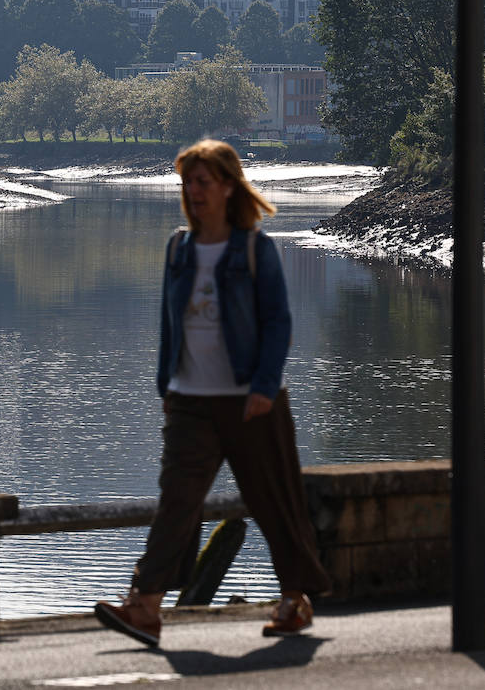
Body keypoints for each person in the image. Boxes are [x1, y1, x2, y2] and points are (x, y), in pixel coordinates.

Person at [93, 139, 331, 647]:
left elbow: (278, 323)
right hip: (190, 401)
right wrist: (167, 386)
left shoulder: (253, 248)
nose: (192, 192)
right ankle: (146, 606)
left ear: (227, 187)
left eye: (202, 182)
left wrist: (265, 387)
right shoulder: (178, 247)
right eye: (186, 183)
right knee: (177, 502)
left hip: (250, 401)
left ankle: (294, 598)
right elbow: (167, 322)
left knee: (273, 502)